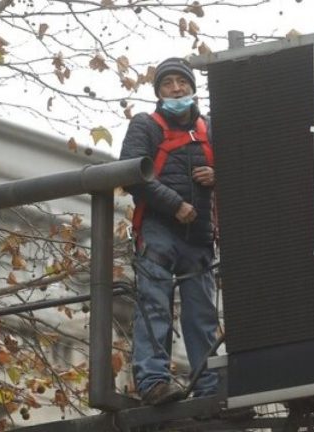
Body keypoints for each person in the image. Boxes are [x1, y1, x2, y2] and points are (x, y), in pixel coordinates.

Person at [119, 57, 219, 405]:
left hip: (199, 237)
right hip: (159, 231)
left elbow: (242, 167)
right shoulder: (146, 126)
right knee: (154, 307)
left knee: (203, 316)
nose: (176, 89)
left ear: (192, 87)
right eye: (168, 83)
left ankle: (209, 388)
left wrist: (218, 175)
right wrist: (175, 204)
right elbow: (132, 173)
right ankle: (153, 382)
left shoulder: (211, 129)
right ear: (158, 92)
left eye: (182, 82)